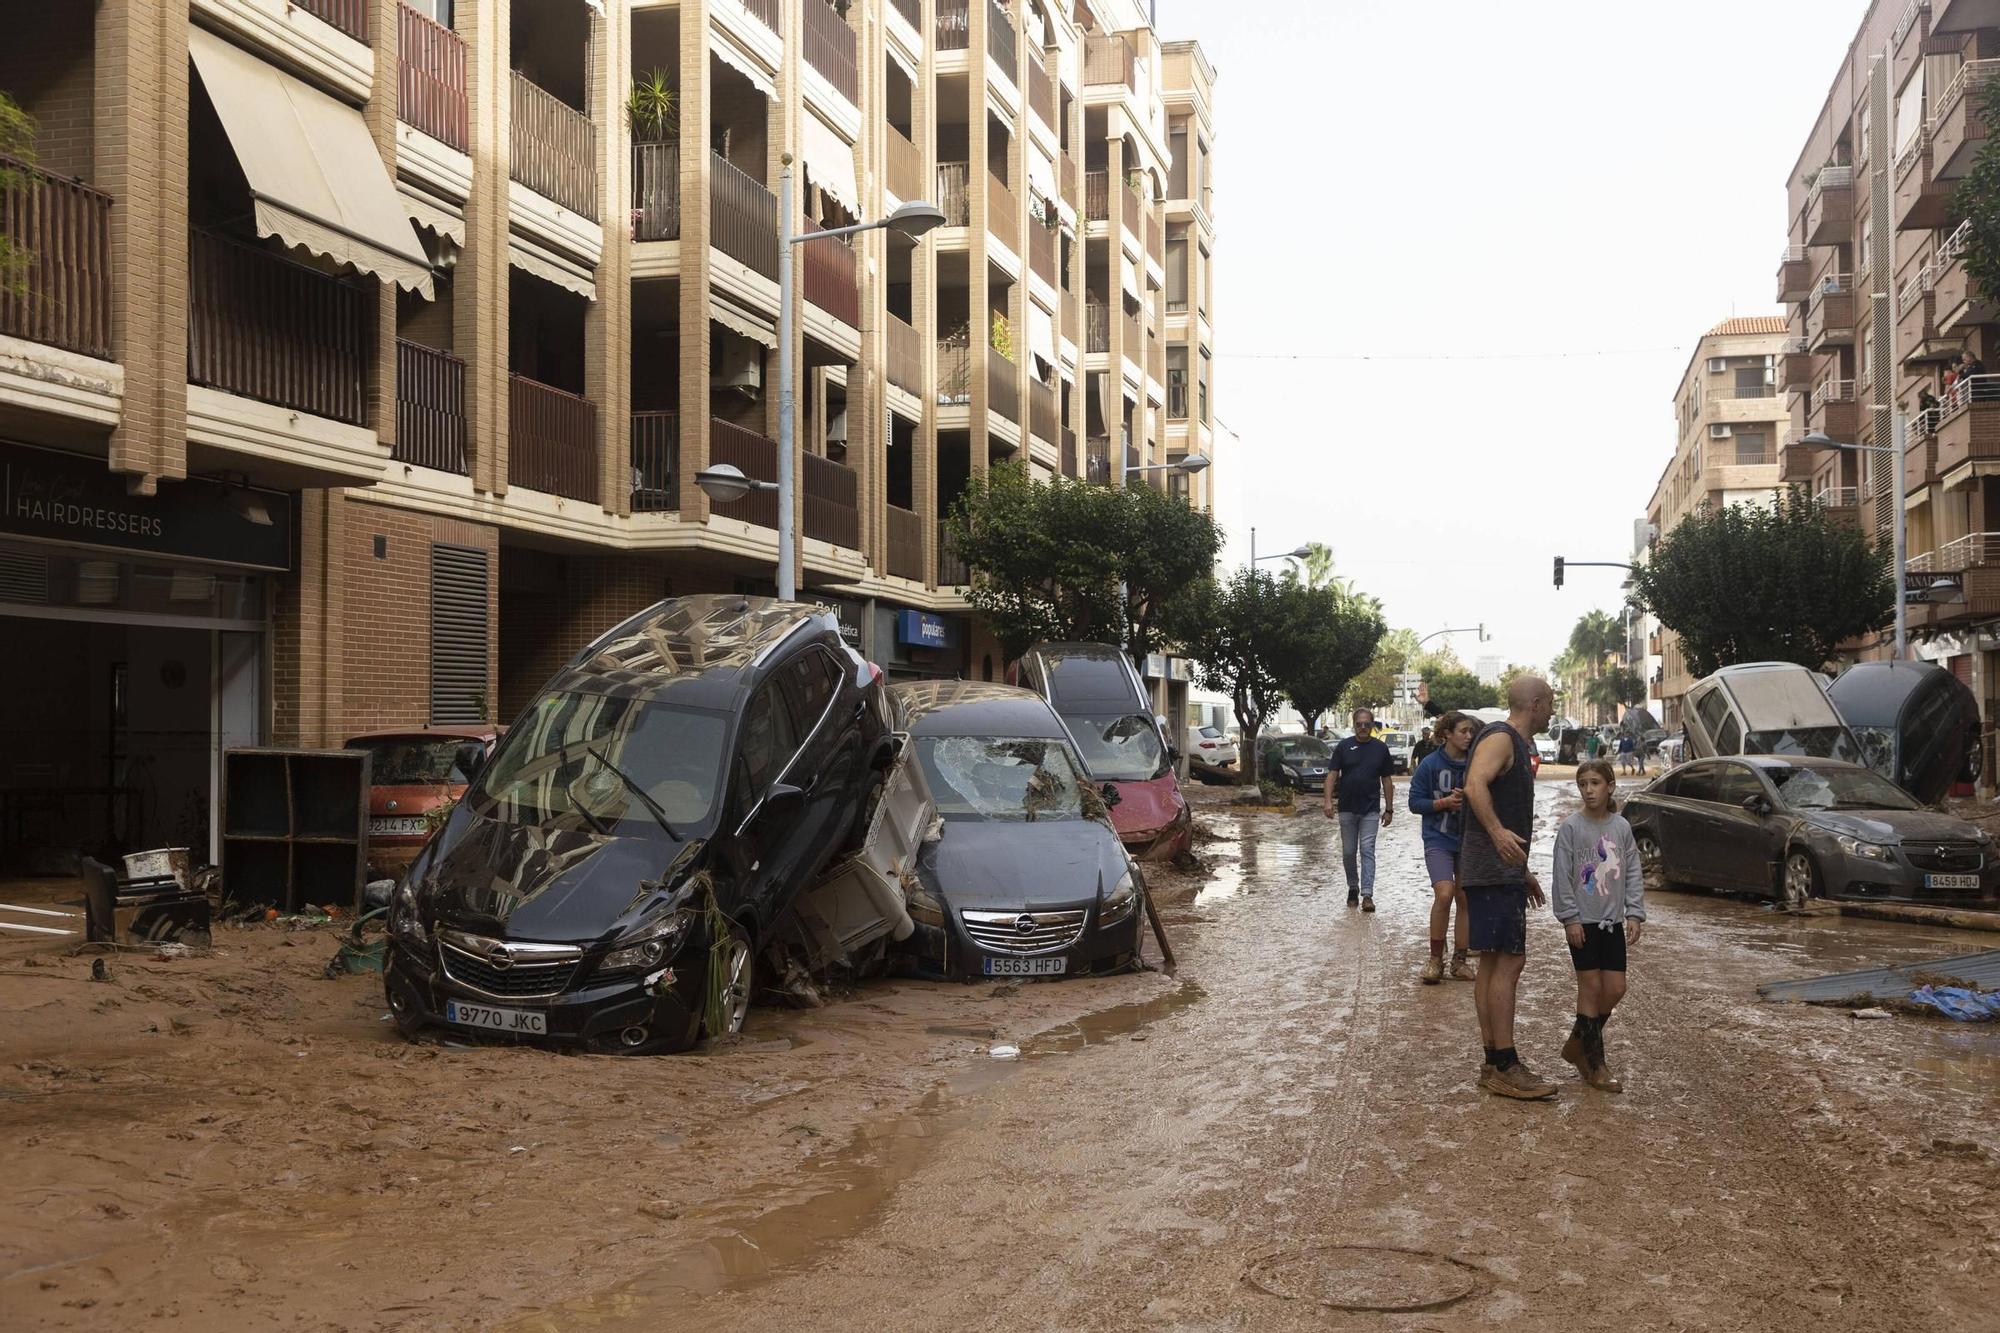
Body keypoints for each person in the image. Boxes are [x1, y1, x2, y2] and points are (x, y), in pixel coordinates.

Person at [1460, 675, 1558, 1100]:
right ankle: (1505, 1064)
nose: (1552, 710)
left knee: (1492, 963)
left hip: (1498, 872)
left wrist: (1524, 871)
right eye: (1550, 703)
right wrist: (1499, 835)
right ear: (1534, 704)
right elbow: (1474, 784)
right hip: (1493, 871)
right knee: (1509, 964)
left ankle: (1492, 1062)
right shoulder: (1501, 738)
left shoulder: (1510, 742)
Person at [1550, 759, 1645, 1092]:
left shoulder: (1620, 828)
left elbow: (1632, 871)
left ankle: (1577, 1043)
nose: (1588, 790)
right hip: (1583, 923)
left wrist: (1634, 912)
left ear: (1610, 787)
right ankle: (1595, 1065)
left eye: (1594, 783)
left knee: (1616, 988)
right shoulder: (1572, 828)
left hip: (1612, 923)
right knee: (1589, 989)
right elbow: (1562, 877)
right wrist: (1570, 918)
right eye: (1583, 784)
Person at [1408, 711, 1478, 984]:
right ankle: (1435, 959)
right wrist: (1443, 803)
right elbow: (1415, 803)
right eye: (1463, 731)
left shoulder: (1476, 763)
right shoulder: (1430, 764)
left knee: (1465, 897)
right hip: (1438, 839)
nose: (1468, 737)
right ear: (1447, 733)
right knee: (1445, 892)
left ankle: (1459, 960)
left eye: (1471, 732)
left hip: (1469, 840)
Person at [1323, 707, 1395, 912]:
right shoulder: (1344, 747)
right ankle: (1352, 887)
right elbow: (1331, 775)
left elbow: (1387, 780)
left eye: (1367, 724)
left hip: (1371, 809)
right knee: (1348, 852)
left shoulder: (1381, 748)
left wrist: (1389, 809)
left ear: (1372, 725)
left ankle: (1367, 895)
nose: (1363, 728)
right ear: (1353, 725)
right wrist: (1327, 801)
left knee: (1367, 851)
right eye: (1359, 724)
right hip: (1346, 808)